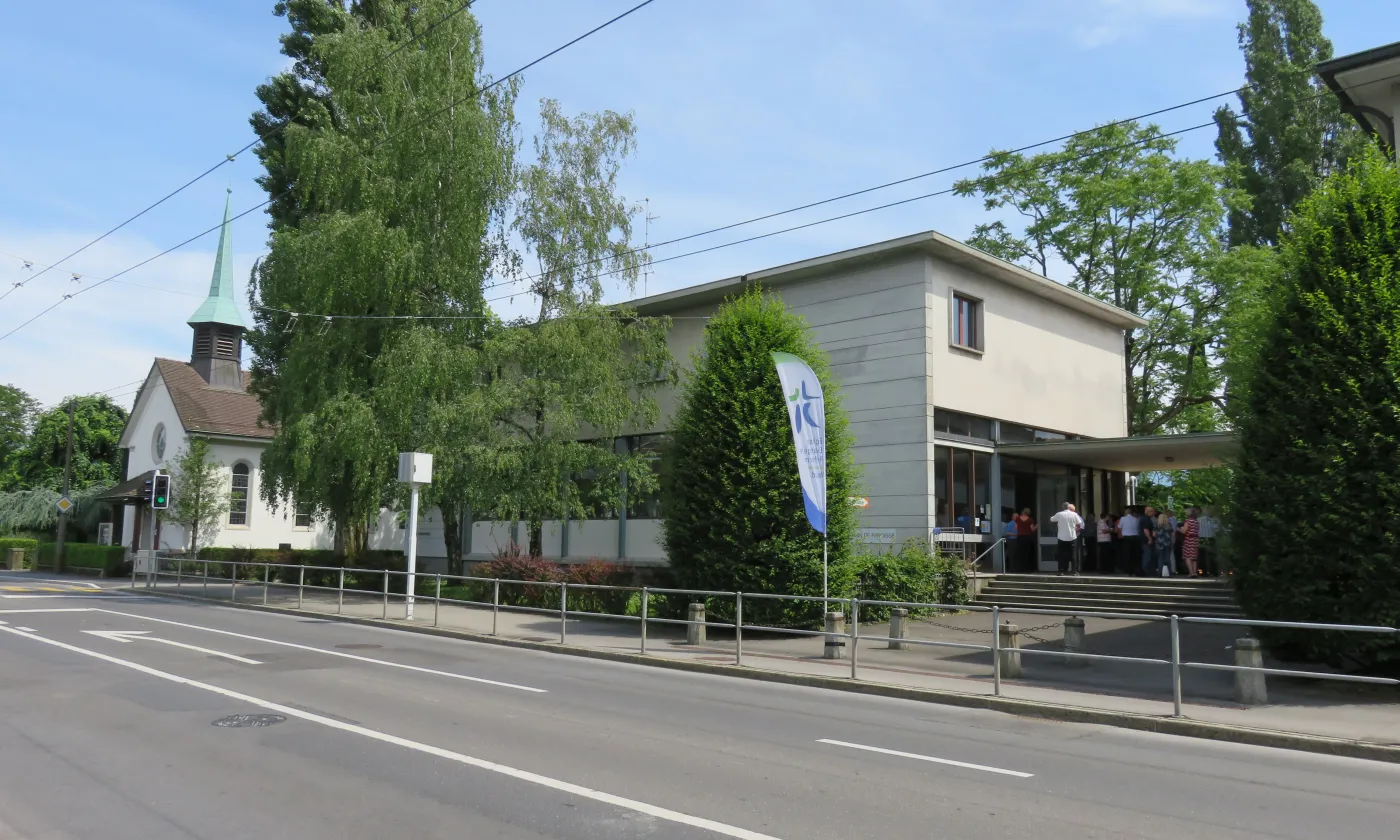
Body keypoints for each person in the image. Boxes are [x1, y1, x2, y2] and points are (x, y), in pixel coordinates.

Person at [1050, 502, 1084, 576]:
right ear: (1069, 507)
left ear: (1062, 507)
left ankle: (1061, 570)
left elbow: (1052, 519)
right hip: (1072, 536)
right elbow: (1079, 523)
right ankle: (1074, 571)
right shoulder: (1074, 514)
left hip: (1061, 537)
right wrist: (1075, 528)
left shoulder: (1059, 514)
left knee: (1062, 554)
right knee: (1073, 554)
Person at [1118, 505, 1142, 576]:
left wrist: (1120, 534)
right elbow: (1138, 528)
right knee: (1134, 554)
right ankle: (1136, 568)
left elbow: (1119, 527)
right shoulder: (1136, 519)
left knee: (1127, 554)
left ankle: (1128, 570)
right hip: (1135, 537)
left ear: (1126, 512)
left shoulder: (1122, 519)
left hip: (1127, 538)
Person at [1197, 505, 1220, 575]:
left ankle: (1204, 572)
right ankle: (1214, 571)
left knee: (1202, 556)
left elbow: (1196, 530)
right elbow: (1217, 530)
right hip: (1211, 538)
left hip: (1201, 539)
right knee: (1212, 556)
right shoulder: (1214, 520)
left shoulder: (1198, 520)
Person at [1014, 508, 1037, 573]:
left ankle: (1020, 569)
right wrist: (1037, 526)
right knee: (1026, 553)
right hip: (1027, 537)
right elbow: (1032, 529)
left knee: (1020, 553)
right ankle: (1026, 569)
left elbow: (1015, 527)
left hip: (1020, 537)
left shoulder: (1018, 518)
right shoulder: (1030, 519)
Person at [1180, 507, 1201, 577]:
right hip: (1195, 540)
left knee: (1188, 556)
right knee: (1194, 557)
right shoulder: (1196, 522)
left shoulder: (1188, 521)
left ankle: (1191, 572)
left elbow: (1184, 531)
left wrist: (1180, 529)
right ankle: (1195, 572)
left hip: (1189, 539)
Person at [1153, 511, 1174, 576]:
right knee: (1167, 559)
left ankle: (1160, 573)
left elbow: (1153, 535)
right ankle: (1169, 573)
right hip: (1168, 543)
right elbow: (1173, 534)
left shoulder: (1156, 525)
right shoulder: (1169, 525)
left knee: (1160, 558)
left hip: (1159, 544)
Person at [1139, 506, 1158, 575]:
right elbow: (1145, 530)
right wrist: (1150, 539)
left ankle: (1148, 570)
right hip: (1146, 540)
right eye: (1152, 511)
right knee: (1147, 555)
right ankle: (1145, 570)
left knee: (1148, 555)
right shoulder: (1145, 519)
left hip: (1145, 540)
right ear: (1147, 512)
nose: (1153, 513)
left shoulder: (1146, 518)